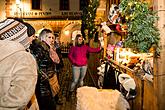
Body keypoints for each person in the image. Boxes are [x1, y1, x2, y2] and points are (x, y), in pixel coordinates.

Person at [0, 18, 38, 109]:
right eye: (25, 34)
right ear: (19, 37)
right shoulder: (24, 58)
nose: (31, 39)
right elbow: (18, 99)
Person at [30, 28, 60, 110]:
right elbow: (34, 66)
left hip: (47, 85)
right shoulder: (40, 48)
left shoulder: (49, 49)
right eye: (49, 37)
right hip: (42, 87)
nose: (52, 40)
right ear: (43, 38)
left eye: (52, 38)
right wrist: (45, 77)